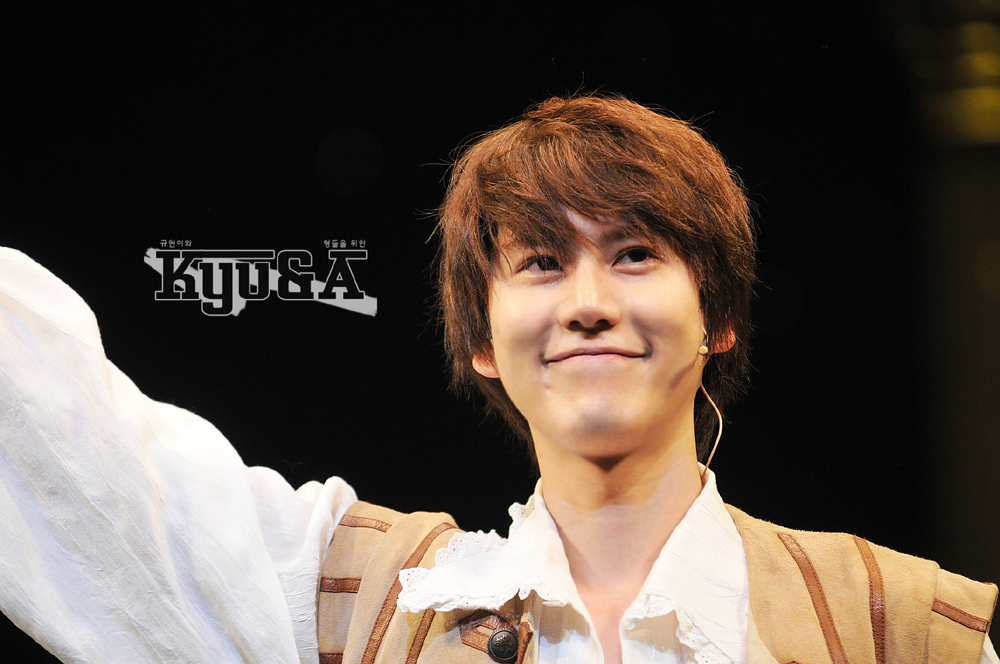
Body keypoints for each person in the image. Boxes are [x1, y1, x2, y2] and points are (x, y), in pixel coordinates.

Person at [0, 96, 995, 664]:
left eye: (636, 254)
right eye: (541, 263)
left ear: (719, 316)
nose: (588, 302)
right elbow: (64, 439)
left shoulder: (902, 627)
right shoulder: (356, 601)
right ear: (482, 339)